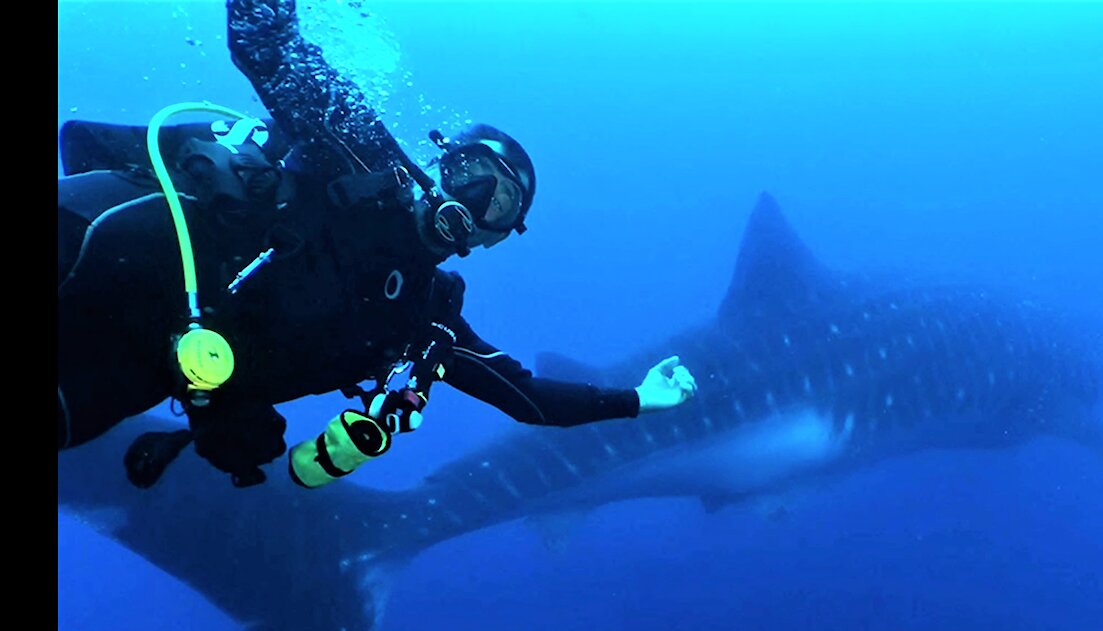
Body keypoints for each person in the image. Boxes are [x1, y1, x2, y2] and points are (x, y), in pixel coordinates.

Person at [57, 0, 697, 489]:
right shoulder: (360, 153)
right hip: (97, 244)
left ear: (496, 238)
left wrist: (640, 399)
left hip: (134, 368)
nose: (473, 201)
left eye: (498, 203)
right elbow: (269, 46)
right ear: (442, 164)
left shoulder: (425, 323)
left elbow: (529, 399)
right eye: (471, 174)